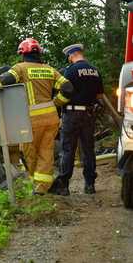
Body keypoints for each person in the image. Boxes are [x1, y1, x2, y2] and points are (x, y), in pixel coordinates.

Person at [0, 38, 74, 194]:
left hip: (32, 120)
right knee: (46, 151)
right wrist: (56, 103)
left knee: (30, 153)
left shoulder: (20, 68)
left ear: (23, 53)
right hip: (51, 118)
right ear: (38, 53)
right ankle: (43, 187)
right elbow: (68, 88)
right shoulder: (49, 69)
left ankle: (37, 186)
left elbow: (4, 80)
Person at [50, 44, 104, 195]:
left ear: (72, 55)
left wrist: (56, 104)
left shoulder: (70, 70)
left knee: (68, 150)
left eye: (69, 57)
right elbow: (99, 96)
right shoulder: (95, 70)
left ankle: (64, 186)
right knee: (88, 150)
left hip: (72, 115)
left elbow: (65, 90)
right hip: (89, 114)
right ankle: (90, 185)